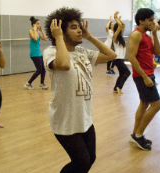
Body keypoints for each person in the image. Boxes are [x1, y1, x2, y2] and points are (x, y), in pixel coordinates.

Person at [44, 7, 117, 173]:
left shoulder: (83, 52)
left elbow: (111, 55)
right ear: (60, 32)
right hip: (65, 120)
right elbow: (63, 64)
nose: (79, 30)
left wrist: (89, 36)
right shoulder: (50, 52)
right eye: (73, 27)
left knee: (90, 159)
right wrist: (59, 39)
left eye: (79, 26)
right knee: (82, 161)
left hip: (84, 117)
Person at [128, 8, 160, 151]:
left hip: (149, 73)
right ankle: (138, 135)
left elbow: (158, 53)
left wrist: (155, 33)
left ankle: (135, 134)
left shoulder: (147, 36)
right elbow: (131, 57)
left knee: (144, 104)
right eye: (150, 20)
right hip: (142, 75)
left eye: (153, 20)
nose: (153, 22)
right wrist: (145, 77)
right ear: (141, 21)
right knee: (156, 105)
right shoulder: (136, 35)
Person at [24, 16, 48, 90]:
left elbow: (45, 39)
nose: (39, 25)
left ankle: (41, 84)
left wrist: (41, 30)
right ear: (34, 24)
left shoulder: (38, 32)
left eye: (40, 23)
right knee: (39, 70)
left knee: (43, 69)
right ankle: (28, 83)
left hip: (39, 53)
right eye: (38, 24)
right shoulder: (31, 31)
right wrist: (34, 29)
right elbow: (34, 38)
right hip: (34, 54)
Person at [112, 12, 131, 96]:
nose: (122, 28)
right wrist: (115, 18)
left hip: (120, 59)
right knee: (127, 72)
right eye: (121, 28)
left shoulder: (120, 36)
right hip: (117, 59)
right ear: (117, 29)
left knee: (122, 73)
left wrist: (119, 20)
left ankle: (115, 88)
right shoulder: (115, 36)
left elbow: (123, 25)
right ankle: (119, 87)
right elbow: (120, 25)